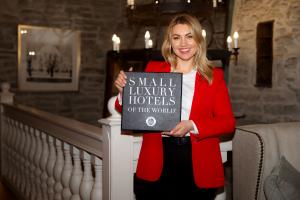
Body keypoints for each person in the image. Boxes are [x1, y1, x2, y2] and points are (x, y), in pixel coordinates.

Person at [114, 14, 236, 200]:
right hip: (157, 158)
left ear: (198, 40)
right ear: (169, 43)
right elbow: (131, 111)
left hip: (197, 162)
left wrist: (192, 125)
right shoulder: (154, 69)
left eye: (189, 36)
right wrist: (125, 91)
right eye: (176, 37)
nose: (183, 44)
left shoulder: (214, 76)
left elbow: (227, 123)